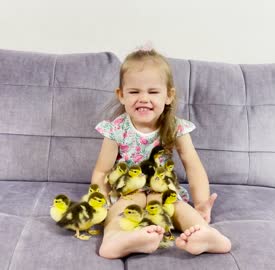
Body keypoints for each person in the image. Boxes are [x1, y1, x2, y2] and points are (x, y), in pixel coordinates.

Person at [91, 45, 232, 259]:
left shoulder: (175, 128)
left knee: (179, 208)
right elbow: (102, 171)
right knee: (122, 210)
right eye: (134, 91)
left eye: (153, 92)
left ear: (168, 96)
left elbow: (193, 166)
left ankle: (205, 234)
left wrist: (201, 202)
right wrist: (98, 202)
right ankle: (116, 239)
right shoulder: (116, 129)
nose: (144, 98)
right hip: (129, 191)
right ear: (121, 95)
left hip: (163, 190)